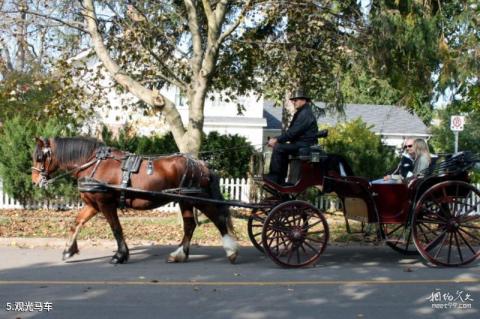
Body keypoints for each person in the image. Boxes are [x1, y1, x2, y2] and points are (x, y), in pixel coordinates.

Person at [265, 89, 319, 185]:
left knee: (278, 148)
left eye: (296, 100)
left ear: (304, 100)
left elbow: (292, 133)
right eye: (293, 100)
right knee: (281, 147)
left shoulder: (305, 114)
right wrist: (277, 140)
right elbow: (291, 133)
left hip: (305, 146)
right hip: (300, 144)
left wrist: (276, 140)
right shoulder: (302, 112)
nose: (293, 102)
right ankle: (280, 179)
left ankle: (275, 177)